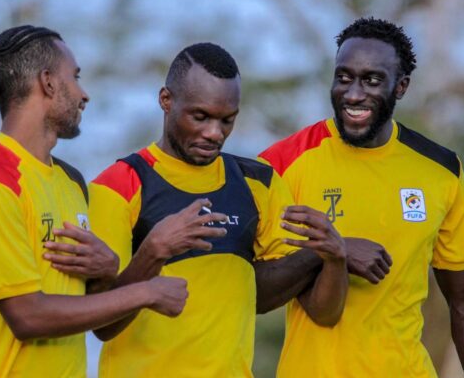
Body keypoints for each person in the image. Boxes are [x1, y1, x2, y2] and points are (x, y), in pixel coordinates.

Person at [87, 42, 348, 377]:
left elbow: (268, 295)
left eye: (227, 120)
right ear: (166, 100)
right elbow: (102, 326)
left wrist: (330, 253)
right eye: (200, 117)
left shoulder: (259, 183)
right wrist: (154, 252)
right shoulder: (118, 186)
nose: (214, 133)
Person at [259, 18, 464, 377]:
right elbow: (255, 294)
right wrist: (329, 250)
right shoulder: (280, 164)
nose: (354, 94)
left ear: (401, 86)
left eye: (372, 80)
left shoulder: (440, 170)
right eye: (344, 77)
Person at [0, 25, 189, 377]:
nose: (83, 94)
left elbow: (96, 314)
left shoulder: (72, 182)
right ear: (47, 82)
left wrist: (110, 269)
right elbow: (27, 316)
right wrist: (147, 292)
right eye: (74, 77)